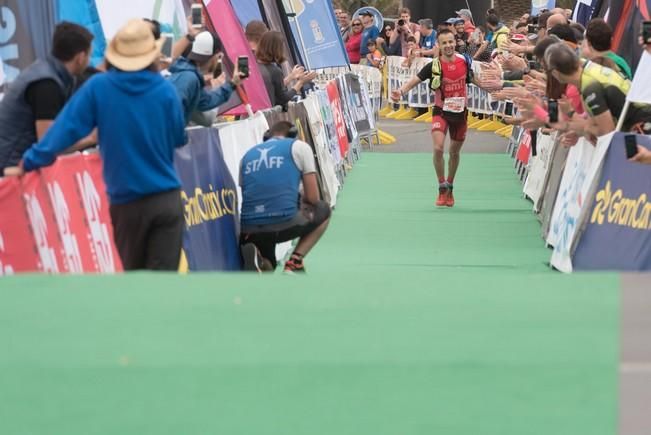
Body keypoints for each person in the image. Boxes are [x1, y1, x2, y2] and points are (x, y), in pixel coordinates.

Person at [6, 20, 188, 270]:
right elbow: (179, 137)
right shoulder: (165, 91)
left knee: (136, 282)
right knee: (163, 282)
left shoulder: (99, 88)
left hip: (127, 204)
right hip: (166, 198)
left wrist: (29, 161)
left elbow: (63, 131)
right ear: (152, 54)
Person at [391, 29, 473, 208]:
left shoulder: (464, 62)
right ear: (439, 46)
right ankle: (442, 186)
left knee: (454, 152)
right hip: (441, 111)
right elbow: (416, 79)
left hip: (460, 114)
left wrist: (496, 88)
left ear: (455, 42)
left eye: (451, 42)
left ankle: (450, 186)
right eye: (444, 43)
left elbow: (475, 80)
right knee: (437, 148)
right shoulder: (434, 66)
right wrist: (401, 91)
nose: (448, 46)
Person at [0, 22, 93, 174]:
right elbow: (47, 145)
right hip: (8, 168)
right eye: (89, 55)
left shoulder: (48, 71)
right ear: (80, 57)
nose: (89, 60)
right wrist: (90, 139)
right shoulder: (47, 85)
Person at [239, 121, 331, 273]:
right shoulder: (300, 147)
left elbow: (249, 195)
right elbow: (313, 198)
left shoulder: (247, 156)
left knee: (270, 265)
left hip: (249, 228)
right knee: (323, 209)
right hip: (283, 222)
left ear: (266, 137)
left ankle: (262, 261)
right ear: (293, 134)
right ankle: (294, 262)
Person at [545, 42, 651, 136]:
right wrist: (577, 127)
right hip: (637, 120)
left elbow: (607, 131)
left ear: (555, 73)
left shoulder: (590, 87)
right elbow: (593, 123)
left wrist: (586, 128)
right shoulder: (588, 68)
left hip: (641, 125)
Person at [167, 31, 242, 125]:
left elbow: (206, 101)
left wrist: (232, 83)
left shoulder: (184, 74)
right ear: (218, 56)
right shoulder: (191, 79)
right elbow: (206, 114)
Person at [256, 31, 315, 109]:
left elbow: (272, 87)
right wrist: (300, 83)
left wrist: (291, 76)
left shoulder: (255, 65)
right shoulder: (274, 71)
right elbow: (282, 98)